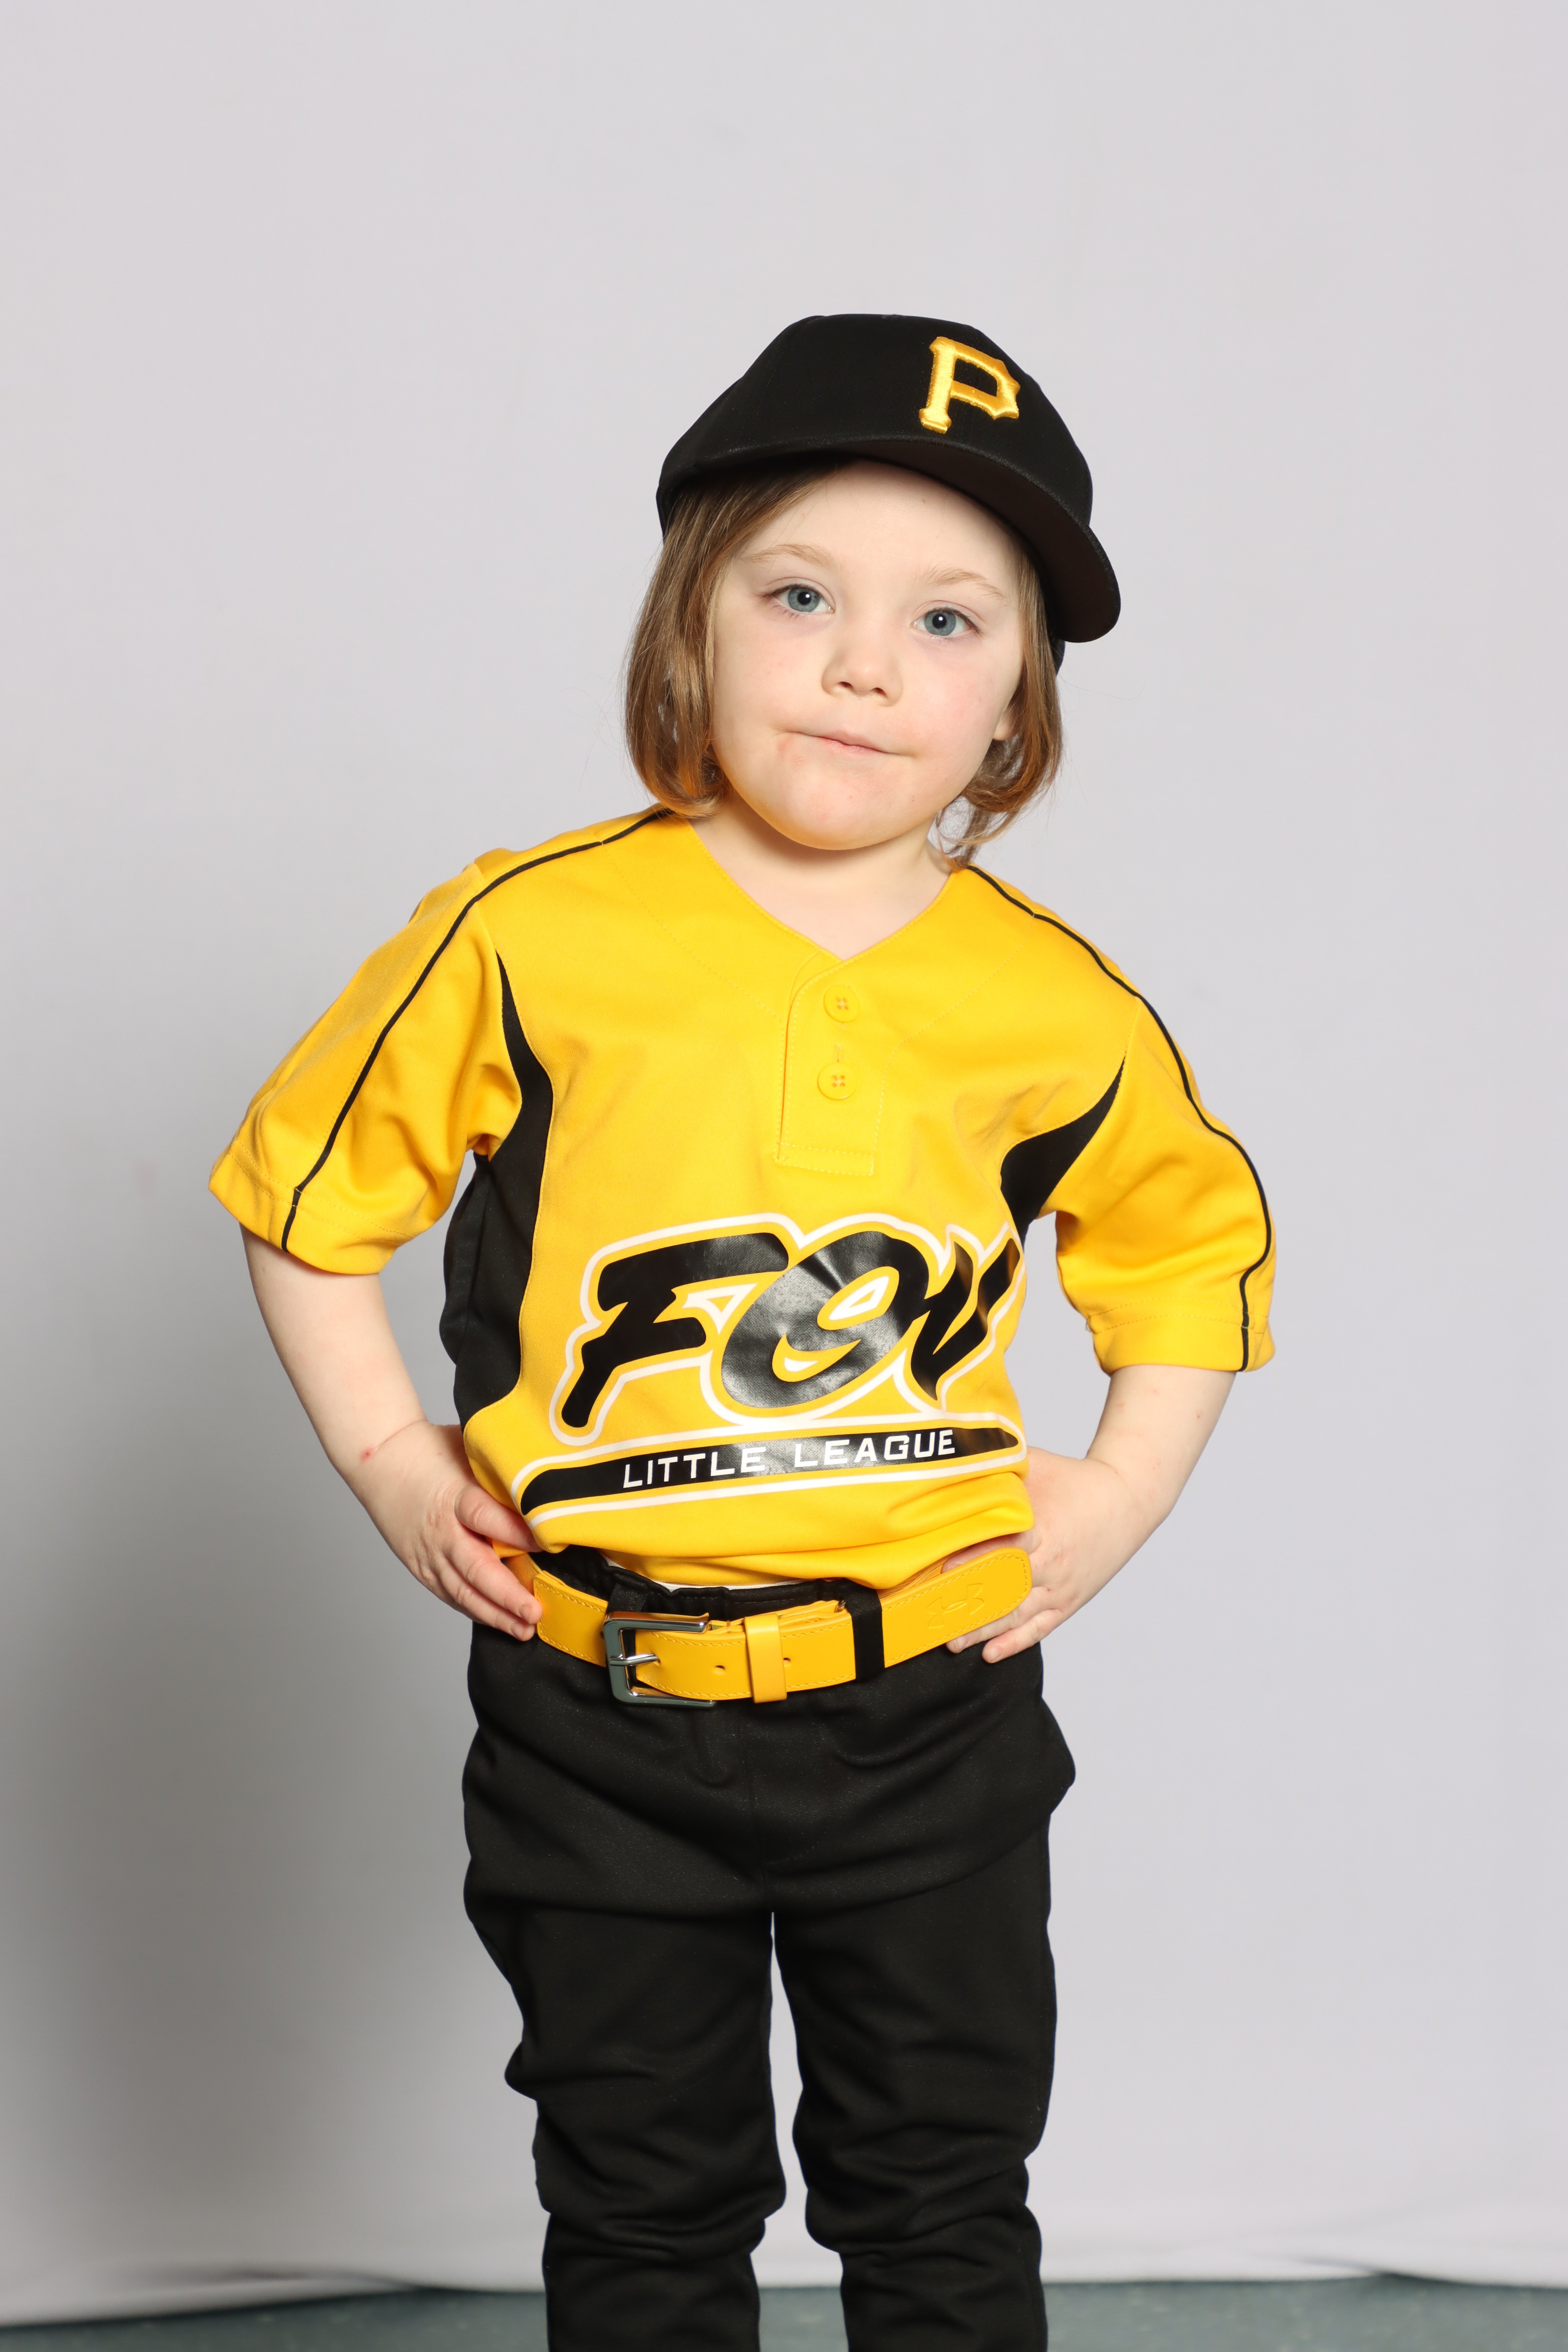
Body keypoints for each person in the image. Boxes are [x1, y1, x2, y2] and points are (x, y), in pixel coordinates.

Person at [212, 314, 1274, 2352]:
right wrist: (387, 1462)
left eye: (948, 620)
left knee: (940, 2194)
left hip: (931, 1707)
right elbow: (303, 1203)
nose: (866, 663)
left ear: (1015, 708)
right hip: (598, 1702)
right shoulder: (529, 933)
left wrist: (1122, 1489)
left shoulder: (1053, 1000)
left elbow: (1187, 1254)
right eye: (800, 595)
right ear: (688, 625)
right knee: (639, 2204)